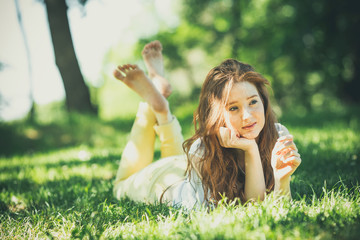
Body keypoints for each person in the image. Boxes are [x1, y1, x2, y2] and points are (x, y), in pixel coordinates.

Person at [112, 40, 301, 210]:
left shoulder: (277, 134)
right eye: (233, 108)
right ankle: (155, 107)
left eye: (253, 102)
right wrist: (251, 149)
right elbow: (253, 207)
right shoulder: (202, 151)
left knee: (178, 156)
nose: (247, 116)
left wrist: (281, 179)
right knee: (120, 185)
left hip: (182, 164)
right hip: (160, 182)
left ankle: (161, 107)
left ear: (264, 101)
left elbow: (265, 207)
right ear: (217, 116)